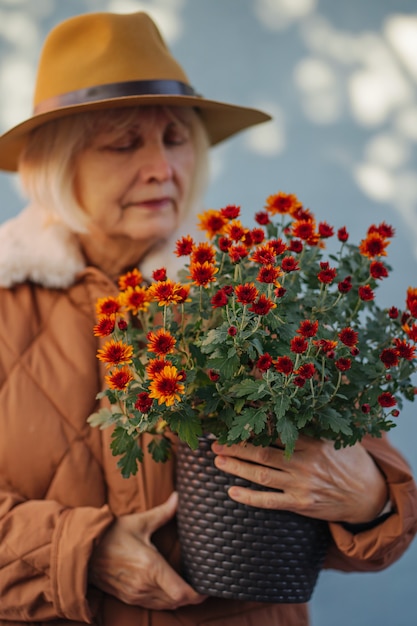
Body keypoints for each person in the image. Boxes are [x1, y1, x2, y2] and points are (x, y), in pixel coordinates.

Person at [0, 10, 415, 626]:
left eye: (174, 139)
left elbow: (372, 493)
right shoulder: (8, 305)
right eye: (124, 143)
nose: (162, 168)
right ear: (55, 165)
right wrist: (82, 552)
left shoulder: (245, 294)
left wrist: (372, 501)